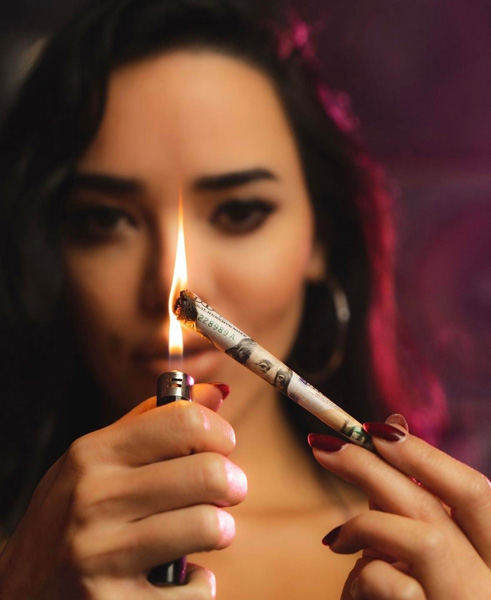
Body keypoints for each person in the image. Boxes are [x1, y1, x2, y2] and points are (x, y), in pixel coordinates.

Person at [0, 0, 489, 598]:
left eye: (239, 212)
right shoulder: (20, 567)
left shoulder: (446, 561)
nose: (171, 286)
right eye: (105, 220)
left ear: (321, 238)